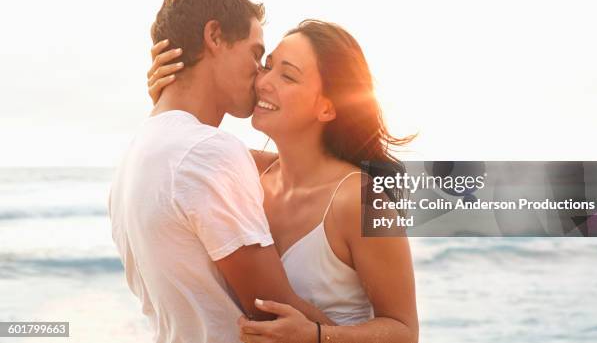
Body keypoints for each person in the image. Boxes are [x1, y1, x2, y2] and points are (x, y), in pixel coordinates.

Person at [148, 19, 419, 342]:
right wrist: (170, 99)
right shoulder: (248, 174)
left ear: (327, 108)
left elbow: (404, 332)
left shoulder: (359, 200)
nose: (263, 81)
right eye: (267, 66)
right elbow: (184, 153)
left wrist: (318, 336)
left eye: (287, 75)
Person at [109, 0, 331, 343]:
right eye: (256, 54)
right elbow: (270, 310)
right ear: (214, 36)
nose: (260, 74)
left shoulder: (138, 153)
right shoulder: (206, 151)